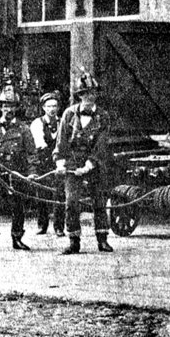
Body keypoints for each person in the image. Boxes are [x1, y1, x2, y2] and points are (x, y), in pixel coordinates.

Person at [54, 70, 113, 255]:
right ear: (79, 96)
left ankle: (102, 240)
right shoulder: (68, 114)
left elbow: (102, 145)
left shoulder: (103, 116)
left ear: (96, 95)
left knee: (99, 200)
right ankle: (74, 241)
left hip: (94, 163)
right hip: (72, 163)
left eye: (92, 93)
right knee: (71, 202)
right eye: (84, 94)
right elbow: (61, 141)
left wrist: (89, 165)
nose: (89, 97)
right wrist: (60, 163)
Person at [0, 84, 37, 252]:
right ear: (0, 107)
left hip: (17, 173)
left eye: (11, 105)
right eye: (4, 105)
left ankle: (17, 238)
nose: (7, 109)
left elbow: (31, 153)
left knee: (17, 205)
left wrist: (32, 173)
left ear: (16, 108)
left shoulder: (24, 129)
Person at [29, 91, 64, 236]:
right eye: (49, 106)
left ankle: (59, 227)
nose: (52, 109)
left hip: (60, 162)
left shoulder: (63, 122)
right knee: (42, 193)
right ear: (43, 107)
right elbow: (40, 144)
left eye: (54, 106)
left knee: (60, 193)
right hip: (43, 162)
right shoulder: (37, 123)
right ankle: (42, 225)